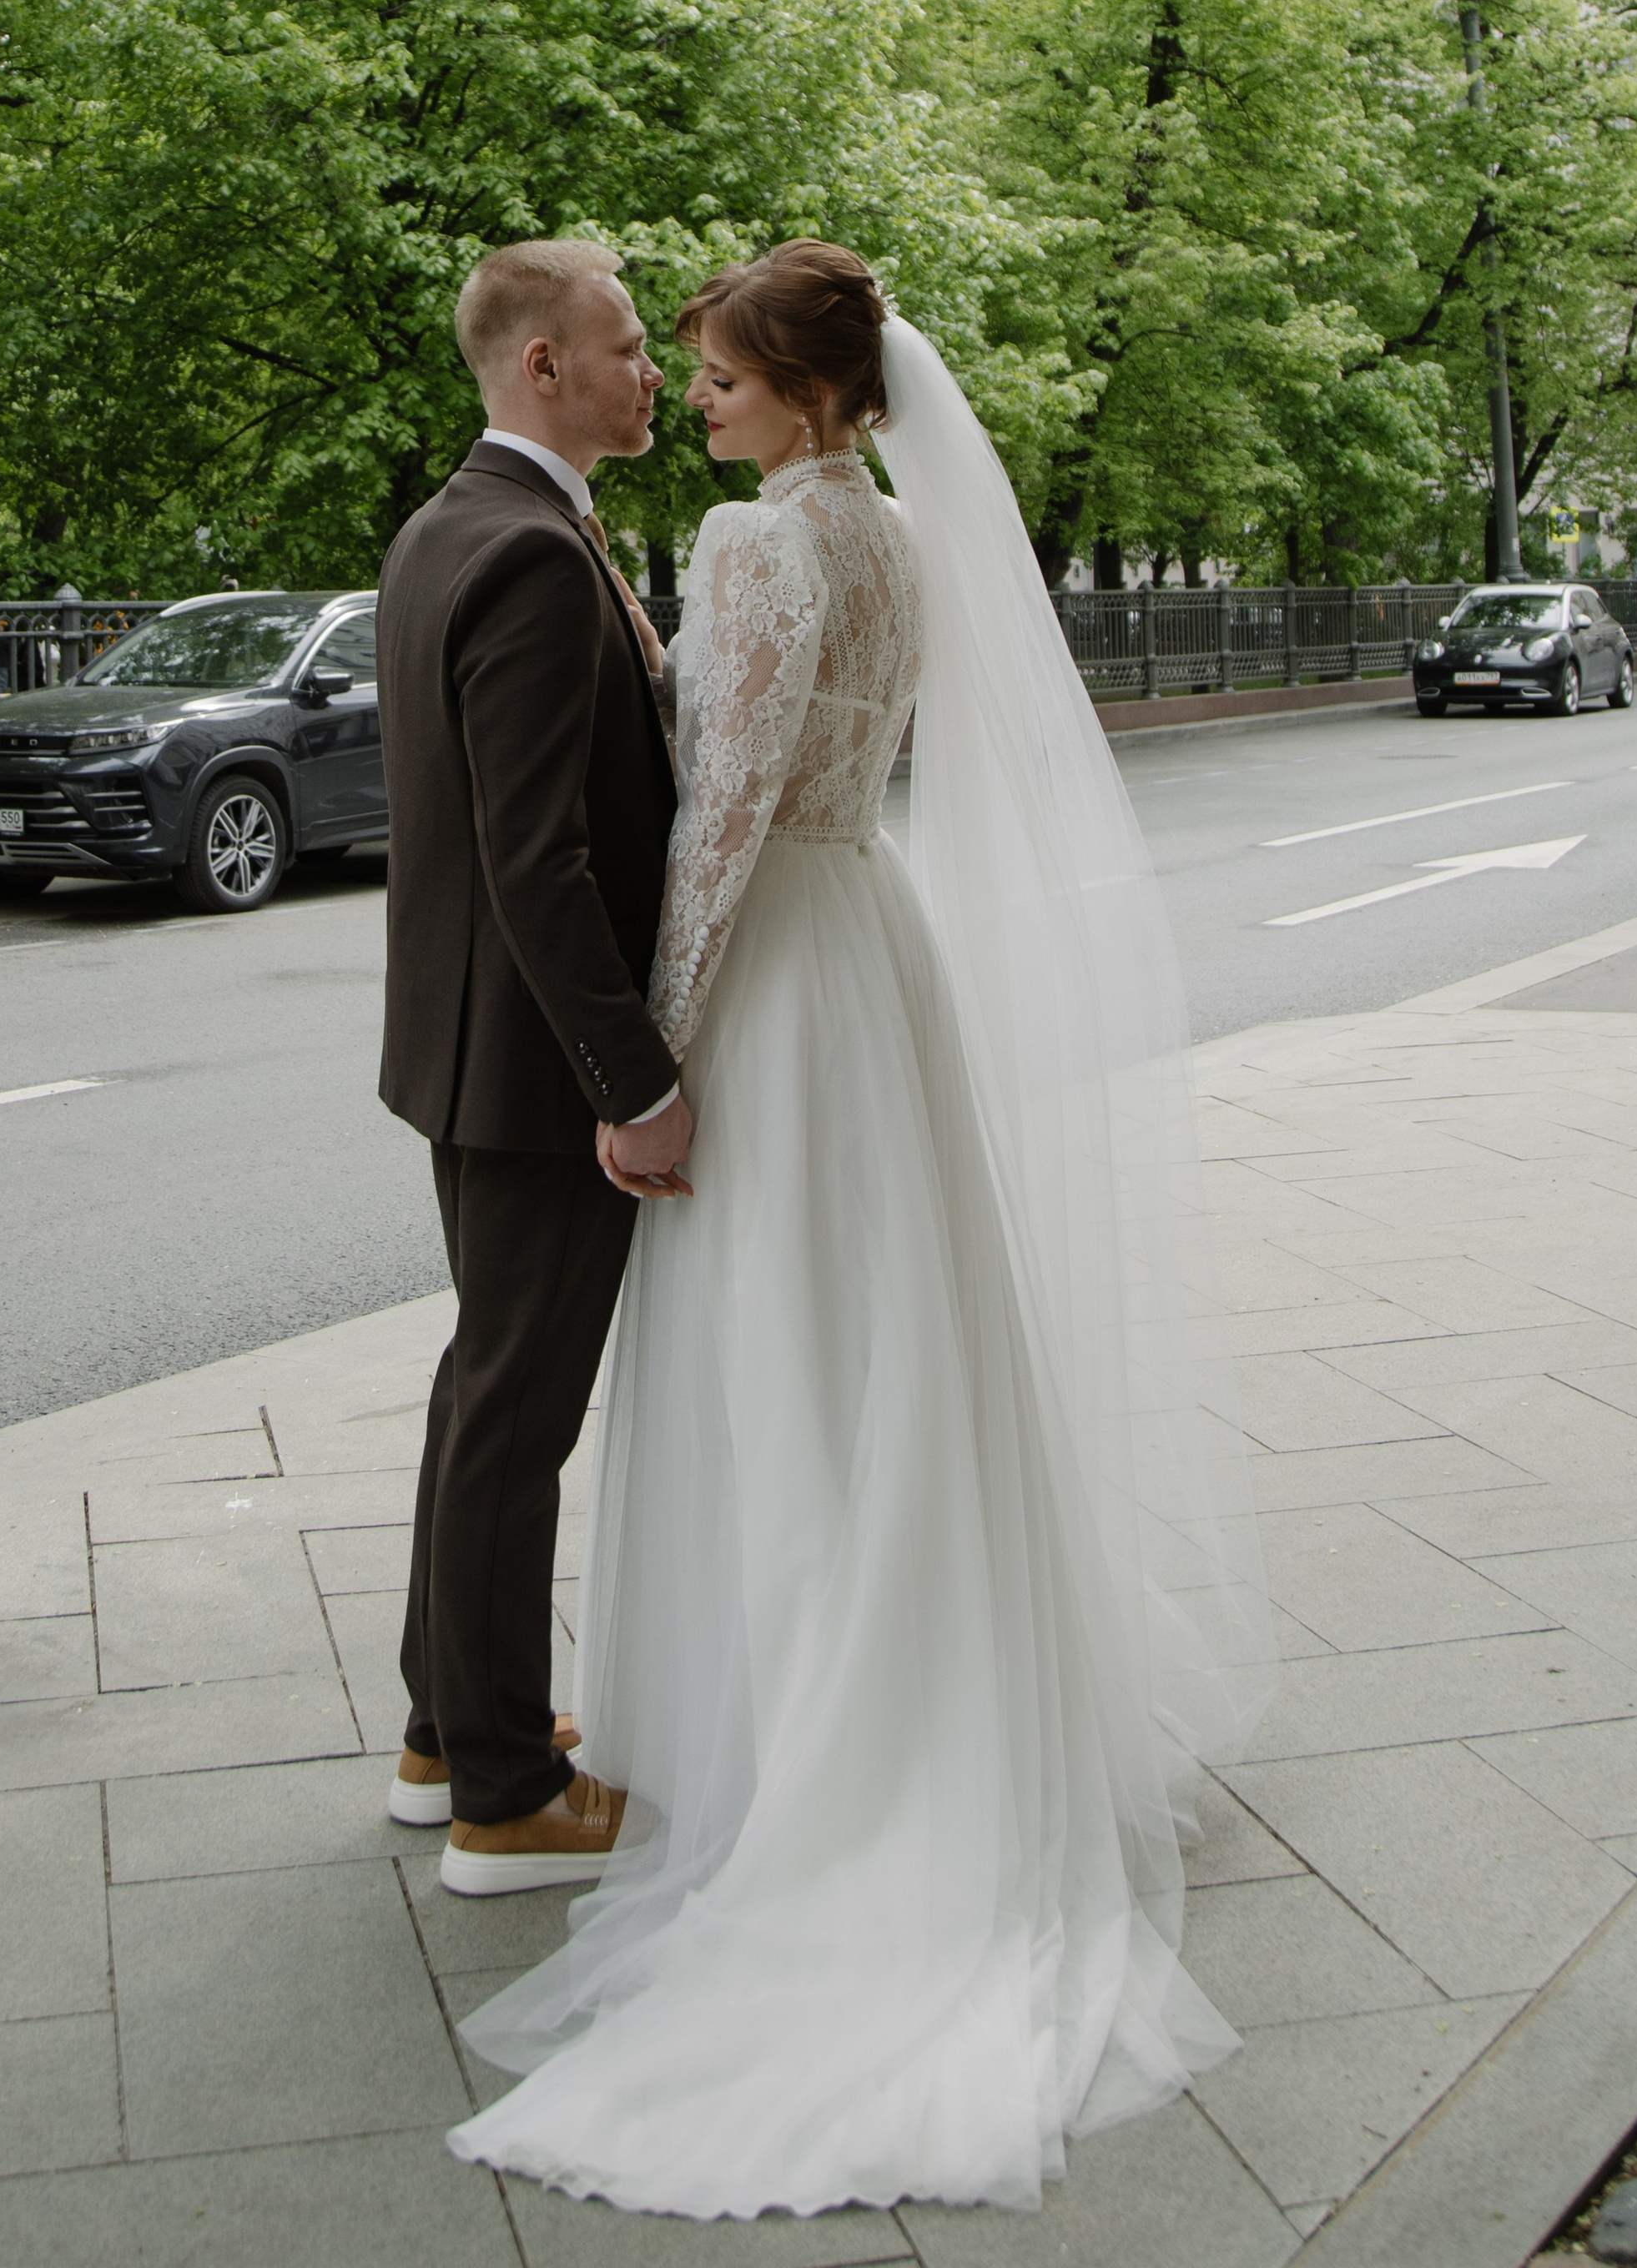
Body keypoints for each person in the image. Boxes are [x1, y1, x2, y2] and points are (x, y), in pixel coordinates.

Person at [446, 240, 1274, 2217]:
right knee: (899, 1337)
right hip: (871, 953)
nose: (697, 400)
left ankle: (810, 1747)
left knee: (792, 1363)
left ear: (808, 396)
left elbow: (721, 816)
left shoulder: (758, 548)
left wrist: (652, 1058)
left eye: (724, 378)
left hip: (779, 979)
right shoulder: (894, 538)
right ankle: (935, 1699)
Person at [376, 239, 696, 1895]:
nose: (654, 371)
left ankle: (449, 1726)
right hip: (534, 1074)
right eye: (629, 345)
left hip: (470, 1055)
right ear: (543, 367)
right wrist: (631, 1081)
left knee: (482, 1393)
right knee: (515, 1417)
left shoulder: (455, 524)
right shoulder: (527, 553)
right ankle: (504, 1795)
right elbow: (537, 860)